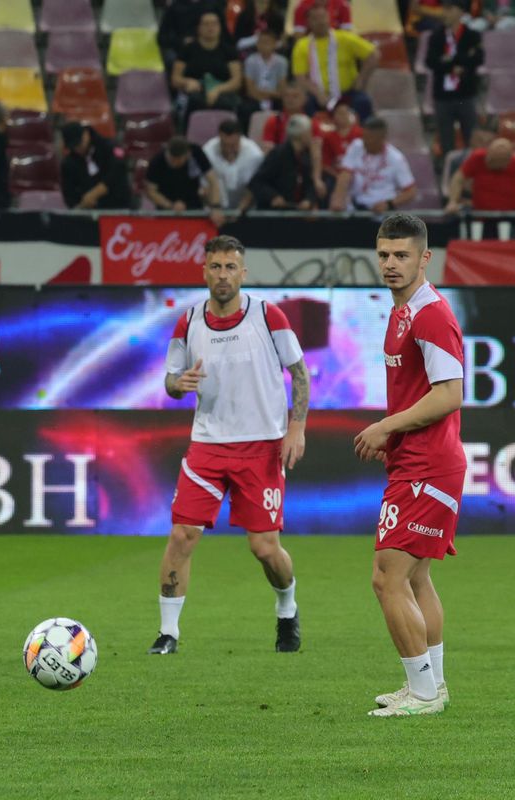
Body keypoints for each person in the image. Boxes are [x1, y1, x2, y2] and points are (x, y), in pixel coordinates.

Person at [150, 234, 310, 655]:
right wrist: (178, 383)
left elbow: (299, 372)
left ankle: (287, 608)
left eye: (230, 267)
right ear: (204, 272)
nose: (223, 275)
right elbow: (170, 380)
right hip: (207, 445)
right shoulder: (188, 321)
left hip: (261, 447)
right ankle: (168, 633)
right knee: (182, 535)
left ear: (243, 273)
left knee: (264, 548)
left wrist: (296, 427)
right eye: (216, 267)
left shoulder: (268, 316)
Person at [353, 213, 463, 717]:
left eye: (401, 255)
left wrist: (387, 426)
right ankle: (431, 685)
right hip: (415, 461)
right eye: (384, 255)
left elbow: (450, 394)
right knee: (416, 579)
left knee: (386, 577)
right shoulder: (401, 312)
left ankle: (422, 694)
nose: (391, 264)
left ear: (425, 258)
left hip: (428, 466)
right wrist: (393, 436)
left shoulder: (431, 314)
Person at [292, 5, 379, 120]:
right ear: (308, 22)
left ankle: (361, 131)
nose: (320, 22)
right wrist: (318, 94)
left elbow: (373, 55)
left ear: (329, 18)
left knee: (363, 102)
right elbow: (300, 77)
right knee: (305, 104)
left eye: (323, 17)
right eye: (315, 19)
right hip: (319, 95)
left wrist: (361, 79)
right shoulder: (302, 45)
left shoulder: (345, 38)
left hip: (348, 93)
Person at [444, 136, 515, 238]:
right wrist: (453, 201)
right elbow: (458, 178)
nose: (496, 165)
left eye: (501, 162)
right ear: (488, 153)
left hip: (510, 217)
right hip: (481, 217)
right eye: (493, 160)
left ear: (509, 159)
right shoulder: (477, 158)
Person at [425, 0, 483, 157]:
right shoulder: (436, 36)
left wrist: (448, 60)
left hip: (466, 94)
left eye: (450, 9)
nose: (445, 12)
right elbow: (431, 61)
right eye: (444, 9)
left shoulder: (472, 35)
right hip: (443, 96)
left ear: (461, 12)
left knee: (472, 138)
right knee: (446, 141)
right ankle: (448, 168)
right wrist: (455, 65)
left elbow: (478, 58)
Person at [171, 10, 243, 129]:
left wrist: (217, 89)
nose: (210, 27)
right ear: (199, 28)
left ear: (220, 27)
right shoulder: (188, 49)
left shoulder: (229, 50)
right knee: (193, 101)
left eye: (214, 24)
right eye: (206, 24)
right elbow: (175, 79)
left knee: (228, 104)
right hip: (194, 92)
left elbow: (236, 81)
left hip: (222, 91)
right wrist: (187, 81)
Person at [330, 116, 417, 212]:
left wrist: (389, 204)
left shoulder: (396, 158)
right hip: (356, 208)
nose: (365, 142)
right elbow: (345, 175)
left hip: (382, 213)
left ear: (382, 139)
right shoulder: (356, 146)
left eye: (370, 138)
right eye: (364, 137)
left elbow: (411, 192)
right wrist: (338, 197)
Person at [248, 112, 317, 210]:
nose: (312, 136)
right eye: (309, 132)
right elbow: (257, 182)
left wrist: (308, 200)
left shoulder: (305, 156)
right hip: (274, 213)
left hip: (296, 212)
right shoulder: (278, 154)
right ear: (302, 135)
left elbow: (310, 183)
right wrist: (273, 196)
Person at [59, 120, 131, 210]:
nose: (77, 149)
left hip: (119, 206)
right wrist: (82, 205)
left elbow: (118, 170)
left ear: (86, 134)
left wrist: (96, 192)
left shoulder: (109, 147)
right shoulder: (68, 164)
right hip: (88, 213)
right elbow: (69, 194)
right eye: (74, 147)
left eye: (79, 143)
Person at [144, 135, 224, 216]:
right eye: (172, 160)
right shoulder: (157, 161)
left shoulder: (196, 153)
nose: (174, 164)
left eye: (178, 161)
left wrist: (216, 207)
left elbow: (213, 180)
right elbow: (151, 191)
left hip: (194, 206)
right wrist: (170, 205)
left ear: (188, 155)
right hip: (166, 210)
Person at [203, 117, 263, 209]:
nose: (228, 150)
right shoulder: (207, 152)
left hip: (246, 209)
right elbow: (206, 186)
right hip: (215, 207)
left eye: (233, 145)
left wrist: (239, 211)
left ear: (240, 138)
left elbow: (254, 187)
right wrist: (216, 208)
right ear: (219, 137)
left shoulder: (254, 155)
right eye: (225, 145)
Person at [310, 97, 361, 197]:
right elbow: (326, 164)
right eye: (339, 113)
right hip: (336, 175)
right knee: (327, 186)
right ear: (333, 116)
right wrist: (338, 177)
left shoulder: (360, 133)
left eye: (345, 113)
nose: (343, 116)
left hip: (358, 174)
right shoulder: (329, 137)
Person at [242, 27, 288, 120]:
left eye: (267, 42)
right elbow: (250, 90)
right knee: (246, 108)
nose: (264, 45)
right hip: (255, 98)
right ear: (257, 44)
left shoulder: (282, 62)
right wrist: (263, 97)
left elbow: (282, 89)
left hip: (275, 99)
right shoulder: (250, 61)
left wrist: (268, 94)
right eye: (261, 42)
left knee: (283, 105)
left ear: (274, 44)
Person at [260, 82, 308, 152]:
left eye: (295, 96)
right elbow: (267, 148)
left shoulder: (311, 123)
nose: (290, 99)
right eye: (286, 96)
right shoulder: (274, 121)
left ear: (305, 99)